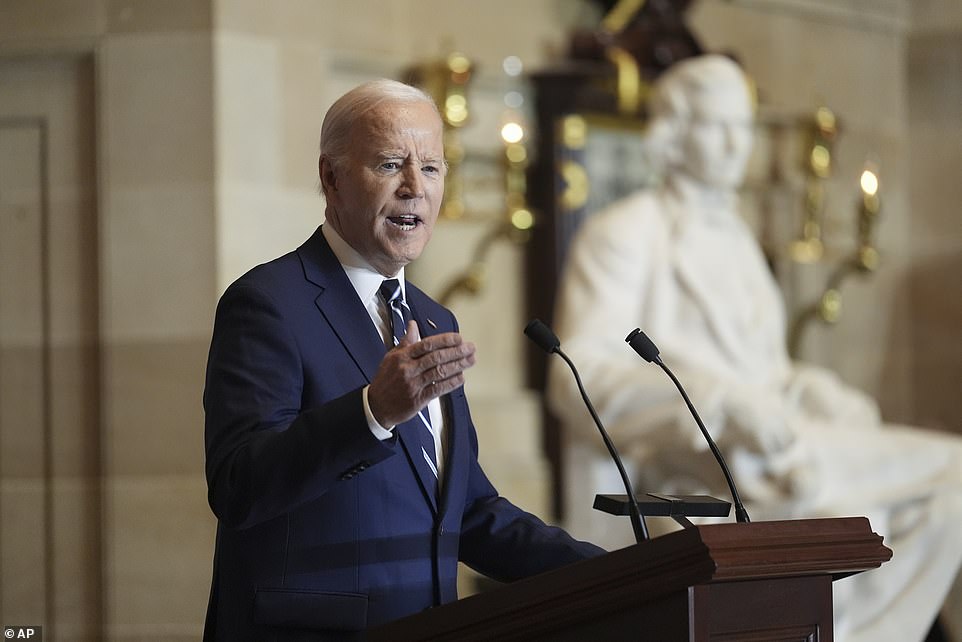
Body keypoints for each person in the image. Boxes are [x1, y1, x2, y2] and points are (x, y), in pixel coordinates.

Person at [548, 54, 962, 642]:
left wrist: (808, 387)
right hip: (709, 464)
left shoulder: (740, 237)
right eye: (716, 125)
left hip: (781, 448)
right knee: (953, 470)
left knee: (946, 507)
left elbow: (762, 368)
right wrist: (719, 403)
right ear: (675, 131)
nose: (734, 144)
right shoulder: (624, 233)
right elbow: (578, 377)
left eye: (743, 126)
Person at [203, 79, 604, 640]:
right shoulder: (269, 304)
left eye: (433, 169)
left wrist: (611, 571)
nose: (415, 188)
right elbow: (238, 486)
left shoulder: (434, 317)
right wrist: (372, 411)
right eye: (391, 164)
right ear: (331, 178)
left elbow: (465, 511)